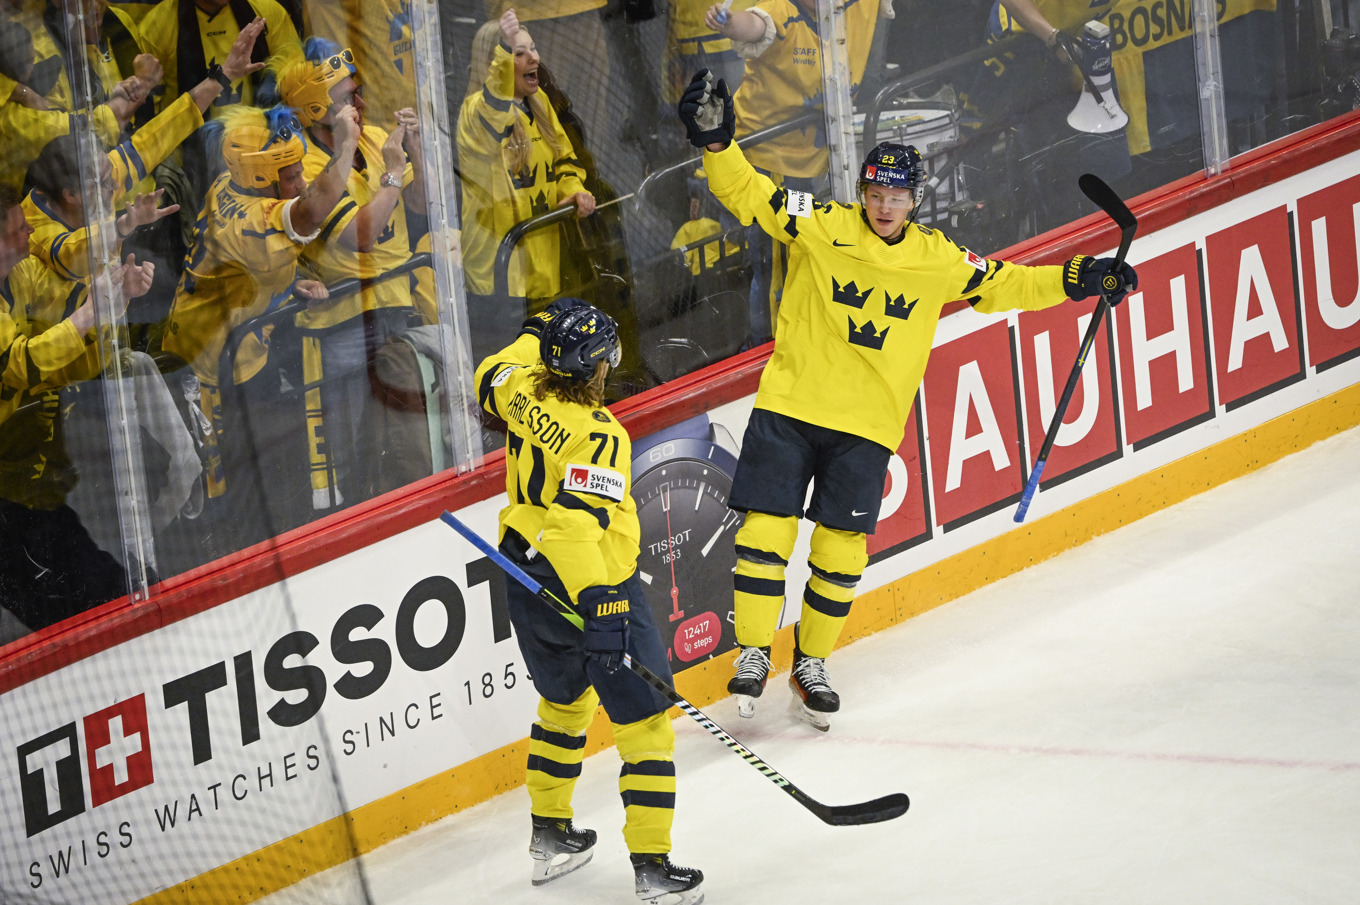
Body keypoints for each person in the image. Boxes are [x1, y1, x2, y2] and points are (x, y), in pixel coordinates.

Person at [677, 70, 1138, 730]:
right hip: (791, 407)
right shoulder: (821, 224)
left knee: (841, 552)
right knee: (765, 534)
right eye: (875, 192)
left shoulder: (938, 259)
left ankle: (811, 664)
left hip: (867, 426)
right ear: (861, 191)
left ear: (915, 198)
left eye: (897, 195)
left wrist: (1080, 277)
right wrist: (718, 146)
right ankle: (753, 651)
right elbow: (751, 196)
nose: (885, 205)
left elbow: (1005, 284)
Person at [472, 299, 704, 905]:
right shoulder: (600, 436)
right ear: (597, 365)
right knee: (646, 727)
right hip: (594, 584)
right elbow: (573, 530)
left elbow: (488, 371)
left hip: (527, 575)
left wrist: (539, 332)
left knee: (563, 703)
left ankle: (550, 837)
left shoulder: (519, 386)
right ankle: (652, 868)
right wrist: (601, 602)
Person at [160, 101, 357, 552]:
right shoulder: (249, 220)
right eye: (292, 176)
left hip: (241, 353)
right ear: (261, 176)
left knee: (262, 475)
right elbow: (312, 210)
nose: (301, 182)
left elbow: (250, 267)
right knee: (220, 496)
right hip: (206, 369)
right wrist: (345, 145)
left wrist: (287, 284)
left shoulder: (229, 184)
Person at [274, 37, 426, 509]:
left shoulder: (376, 138)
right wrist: (394, 174)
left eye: (358, 92)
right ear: (316, 110)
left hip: (395, 305)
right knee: (347, 443)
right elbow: (361, 234)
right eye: (347, 97)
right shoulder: (306, 164)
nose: (360, 103)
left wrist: (416, 152)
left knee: (401, 436)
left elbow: (425, 204)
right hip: (341, 323)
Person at [0, 182, 158, 634]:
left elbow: (62, 345)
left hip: (29, 481)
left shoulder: (21, 274)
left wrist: (115, 299)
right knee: (57, 615)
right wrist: (90, 313)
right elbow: (23, 364)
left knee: (104, 588)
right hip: (9, 495)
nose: (30, 232)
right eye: (17, 229)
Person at [701, 0, 880, 345]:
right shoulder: (782, 10)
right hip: (767, 165)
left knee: (805, 256)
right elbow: (753, 25)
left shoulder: (860, 5)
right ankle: (769, 346)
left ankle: (807, 333)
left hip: (812, 163)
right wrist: (728, 23)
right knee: (776, 265)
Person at [456, 8, 594, 368]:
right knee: (513, 371)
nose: (534, 58)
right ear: (494, 62)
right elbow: (494, 109)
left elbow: (565, 160)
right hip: (499, 278)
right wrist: (504, 48)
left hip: (543, 267)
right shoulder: (475, 113)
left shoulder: (540, 104)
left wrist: (573, 190)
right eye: (518, 53)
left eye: (533, 48)